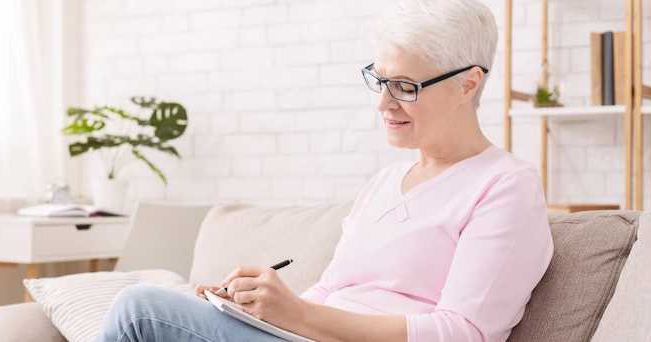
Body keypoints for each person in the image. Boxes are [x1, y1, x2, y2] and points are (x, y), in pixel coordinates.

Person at [94, 0, 554, 341]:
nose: (383, 102)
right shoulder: (384, 184)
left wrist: (296, 314)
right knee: (162, 311)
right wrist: (252, 310)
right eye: (380, 79)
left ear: (467, 84)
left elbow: (462, 332)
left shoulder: (505, 186)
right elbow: (332, 290)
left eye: (405, 86)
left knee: (140, 311)